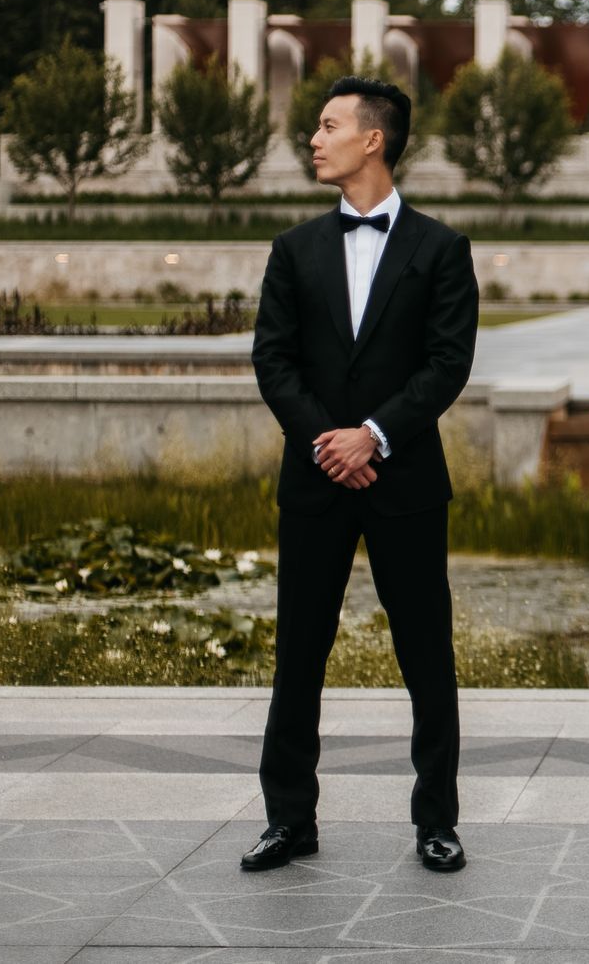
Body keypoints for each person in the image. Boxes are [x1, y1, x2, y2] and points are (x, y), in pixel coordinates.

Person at [243, 75, 480, 873]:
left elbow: (448, 364)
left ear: (372, 138)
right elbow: (272, 361)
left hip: (406, 481)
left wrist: (374, 436)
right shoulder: (293, 249)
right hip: (315, 482)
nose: (314, 137)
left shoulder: (442, 249)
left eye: (328, 124)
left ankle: (437, 821)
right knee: (298, 655)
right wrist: (328, 442)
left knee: (426, 655)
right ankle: (288, 820)